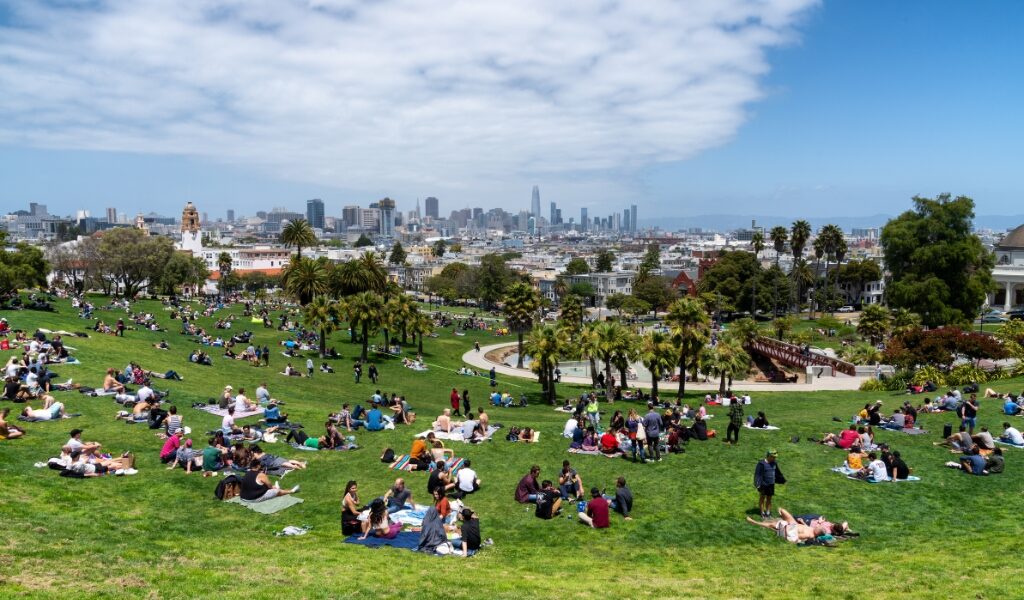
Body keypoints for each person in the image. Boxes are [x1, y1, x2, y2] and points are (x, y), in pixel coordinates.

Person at [745, 508, 833, 544]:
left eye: (818, 528)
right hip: (794, 524)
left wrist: (785, 528)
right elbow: (804, 527)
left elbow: (796, 536)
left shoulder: (810, 535)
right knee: (782, 510)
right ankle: (779, 519)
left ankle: (754, 522)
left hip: (790, 529)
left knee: (772, 525)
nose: (817, 526)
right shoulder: (812, 529)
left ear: (817, 532)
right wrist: (802, 522)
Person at [754, 449, 786, 518]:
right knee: (762, 498)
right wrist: (758, 484)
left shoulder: (774, 463)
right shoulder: (761, 464)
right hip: (763, 484)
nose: (774, 458)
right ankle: (762, 513)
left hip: (771, 484)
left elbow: (777, 472)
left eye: (775, 457)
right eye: (773, 457)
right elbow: (758, 474)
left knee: (769, 498)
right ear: (769, 456)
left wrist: (782, 480)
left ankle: (768, 513)